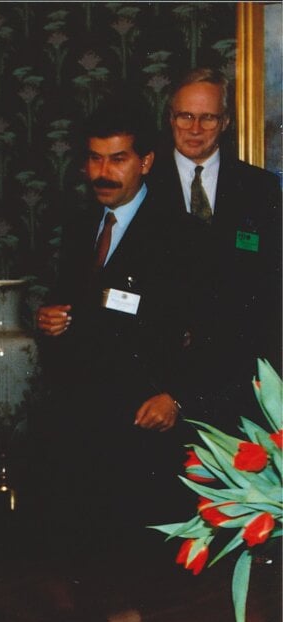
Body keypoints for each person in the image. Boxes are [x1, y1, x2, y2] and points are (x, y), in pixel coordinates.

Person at [34, 98, 199, 537]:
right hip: (79, 426)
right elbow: (73, 307)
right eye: (94, 158)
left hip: (143, 428)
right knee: (82, 559)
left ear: (145, 162)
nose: (103, 172)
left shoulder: (180, 234)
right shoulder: (78, 225)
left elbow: (208, 331)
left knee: (141, 570)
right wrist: (50, 320)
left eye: (118, 159)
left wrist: (177, 396)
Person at [147, 68, 282, 425]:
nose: (195, 128)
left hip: (236, 384)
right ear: (170, 117)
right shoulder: (142, 185)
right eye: (186, 116)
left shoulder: (260, 190)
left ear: (225, 122)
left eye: (208, 117)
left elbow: (271, 291)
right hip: (154, 386)